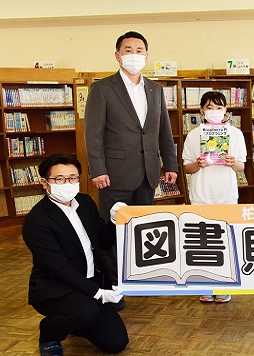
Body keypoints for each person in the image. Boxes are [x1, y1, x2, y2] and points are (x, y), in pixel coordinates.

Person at [84, 31, 178, 288]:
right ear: (117, 55)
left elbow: (163, 131)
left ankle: (142, 276)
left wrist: (170, 164)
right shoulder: (102, 88)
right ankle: (113, 283)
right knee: (112, 230)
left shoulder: (156, 90)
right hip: (113, 174)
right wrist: (97, 169)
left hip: (148, 173)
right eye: (128, 50)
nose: (133, 55)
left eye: (139, 50)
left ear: (146, 56)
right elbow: (92, 134)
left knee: (144, 228)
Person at [22, 153, 128, 356]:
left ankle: (77, 321)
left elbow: (103, 242)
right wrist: (98, 293)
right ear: (45, 183)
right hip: (56, 287)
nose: (67, 183)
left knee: (116, 342)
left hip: (90, 281)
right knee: (86, 312)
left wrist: (114, 222)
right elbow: (58, 268)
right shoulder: (37, 221)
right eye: (59, 179)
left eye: (73, 177)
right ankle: (49, 332)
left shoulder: (85, 203)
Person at [182, 90, 247, 304]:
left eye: (219, 107)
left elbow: (241, 166)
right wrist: (198, 163)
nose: (214, 112)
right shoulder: (194, 135)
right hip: (201, 194)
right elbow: (187, 168)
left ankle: (224, 285)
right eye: (209, 107)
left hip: (226, 194)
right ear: (201, 110)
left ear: (226, 110)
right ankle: (205, 286)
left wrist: (231, 162)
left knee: (226, 241)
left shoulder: (235, 134)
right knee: (202, 242)